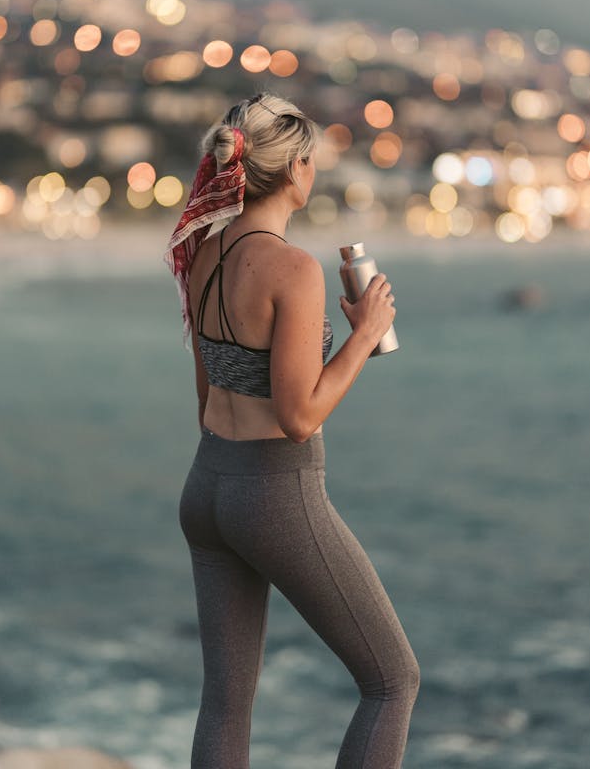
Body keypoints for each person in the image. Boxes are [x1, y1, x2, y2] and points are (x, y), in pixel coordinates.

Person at [164, 92, 420, 769]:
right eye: (314, 161)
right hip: (272, 492)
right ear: (297, 168)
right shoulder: (293, 268)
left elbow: (205, 391)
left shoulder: (203, 250)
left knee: (225, 703)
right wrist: (363, 335)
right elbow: (299, 417)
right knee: (393, 683)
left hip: (207, 486)